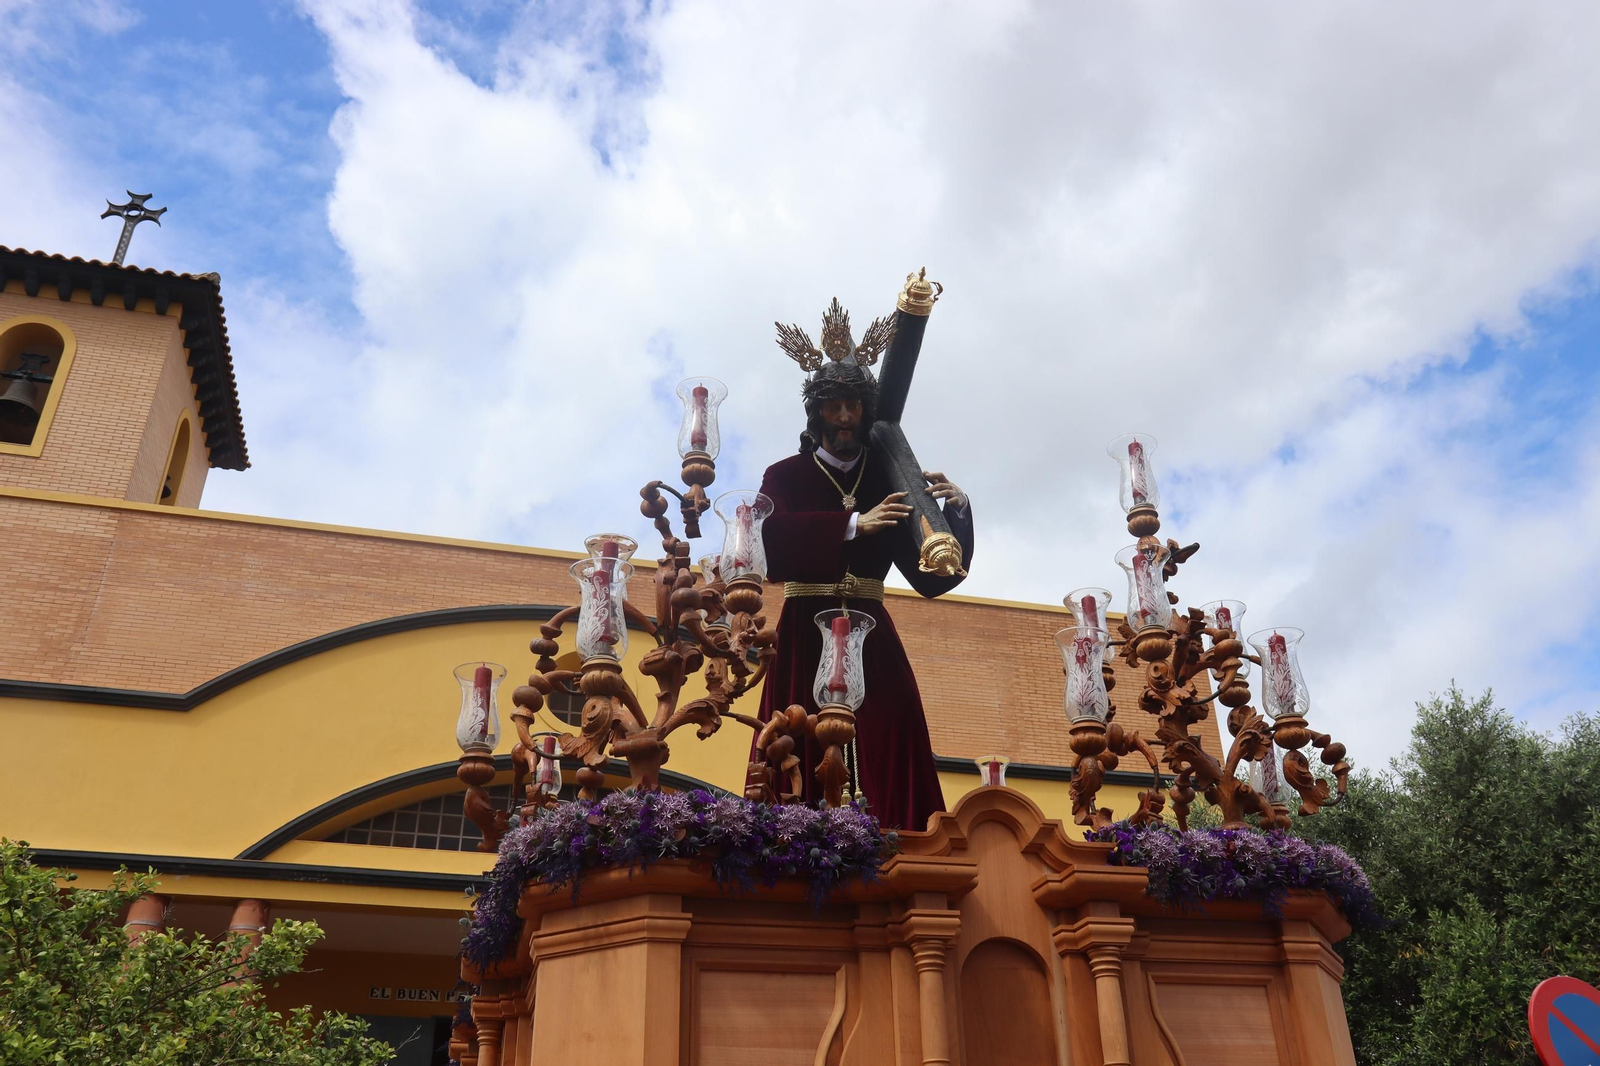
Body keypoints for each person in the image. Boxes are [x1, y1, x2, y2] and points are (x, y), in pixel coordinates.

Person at [754, 304, 975, 831]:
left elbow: (931, 578)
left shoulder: (891, 477)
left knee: (893, 735)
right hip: (804, 630)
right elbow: (766, 545)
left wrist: (956, 515)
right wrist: (852, 526)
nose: (846, 417)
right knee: (795, 743)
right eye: (835, 407)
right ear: (818, 414)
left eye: (854, 405)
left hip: (873, 638)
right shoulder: (784, 475)